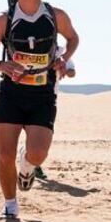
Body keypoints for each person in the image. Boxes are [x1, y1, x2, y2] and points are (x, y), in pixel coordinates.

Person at [0, 0, 79, 218]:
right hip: (11, 94)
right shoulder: (4, 20)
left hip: (43, 94)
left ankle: (28, 164)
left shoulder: (56, 15)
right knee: (4, 153)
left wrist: (64, 58)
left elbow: (73, 38)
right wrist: (3, 66)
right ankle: (10, 204)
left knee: (39, 153)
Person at [34, 46, 76, 180]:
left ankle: (35, 166)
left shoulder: (62, 50)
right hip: (23, 93)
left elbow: (72, 72)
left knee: (42, 134)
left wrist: (63, 67)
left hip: (49, 97)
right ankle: (29, 164)